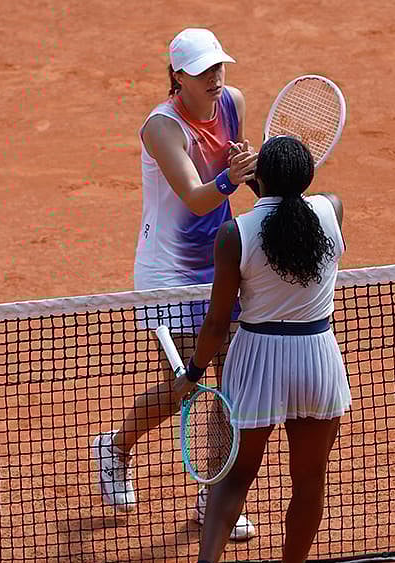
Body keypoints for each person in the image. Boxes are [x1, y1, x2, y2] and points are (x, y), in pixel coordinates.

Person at [91, 27, 259, 541]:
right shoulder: (162, 128)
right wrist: (232, 177)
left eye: (218, 66)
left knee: (232, 384)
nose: (215, 77)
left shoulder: (232, 103)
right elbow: (195, 196)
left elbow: (239, 176)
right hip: (168, 273)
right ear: (178, 76)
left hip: (221, 263)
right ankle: (115, 446)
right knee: (187, 382)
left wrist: (263, 174)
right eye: (203, 70)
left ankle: (215, 493)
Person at [188, 135, 351, 563]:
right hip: (316, 360)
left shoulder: (234, 234)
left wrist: (193, 372)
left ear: (260, 179)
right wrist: (264, 183)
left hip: (257, 359)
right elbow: (288, 210)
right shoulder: (332, 209)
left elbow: (217, 322)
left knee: (234, 478)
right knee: (310, 481)